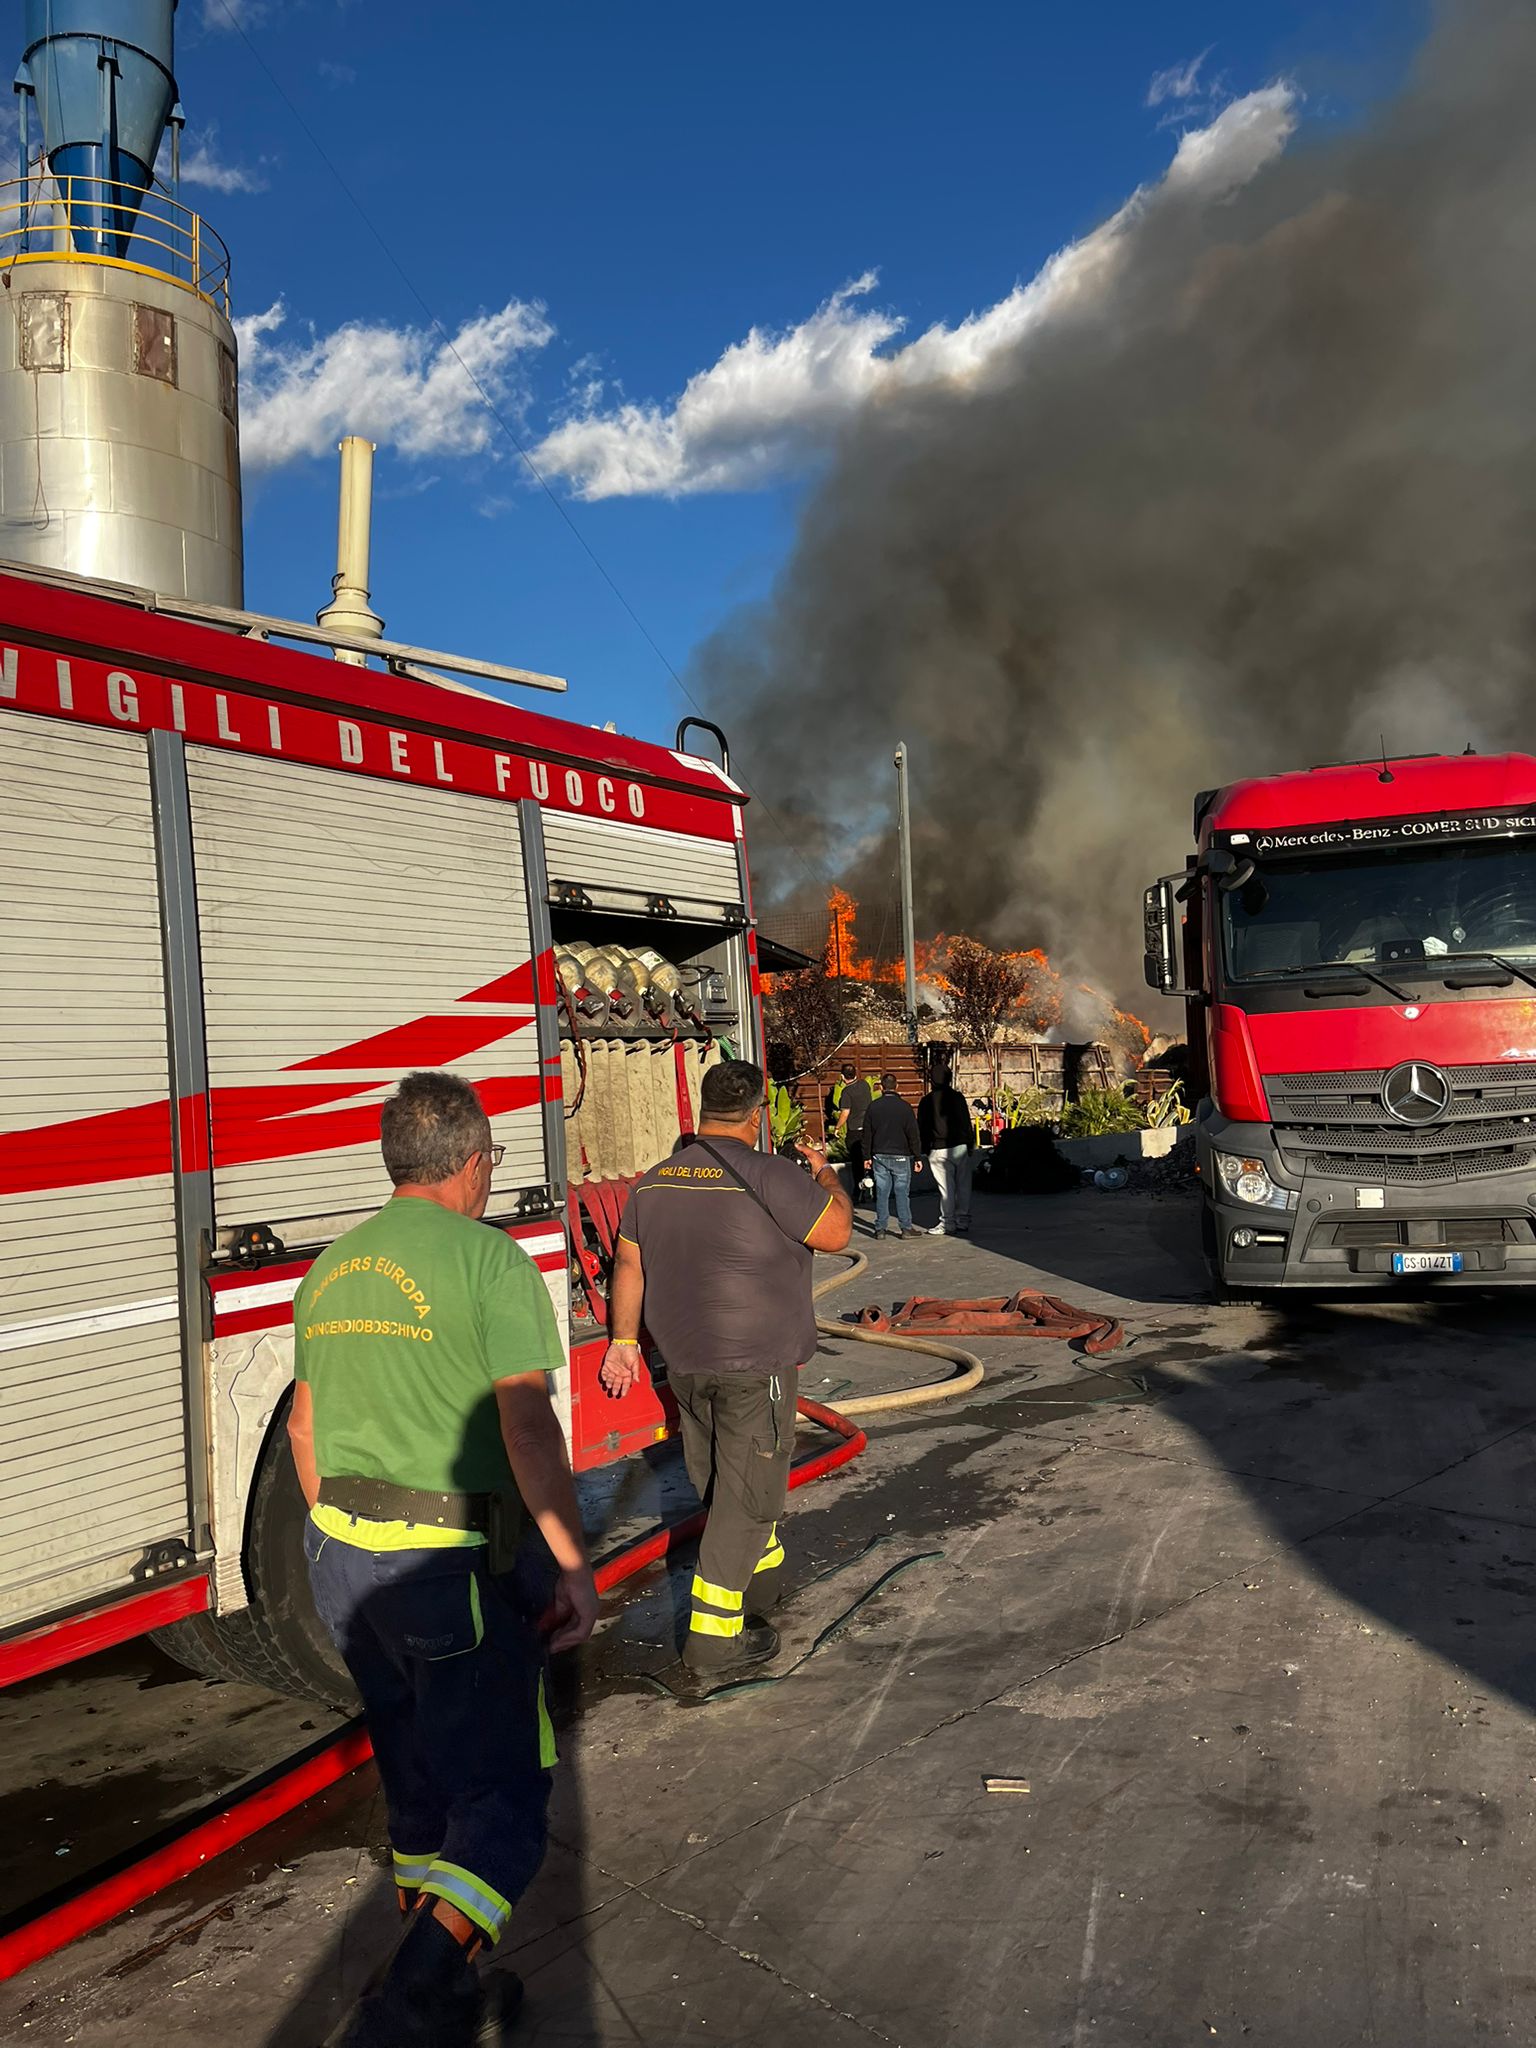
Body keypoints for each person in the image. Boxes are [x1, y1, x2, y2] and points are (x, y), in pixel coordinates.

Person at [286, 1070, 597, 2047]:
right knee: (505, 1805)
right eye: (492, 1163)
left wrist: (348, 1538)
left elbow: (305, 1428)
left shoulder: (328, 1270)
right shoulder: (486, 1260)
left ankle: (450, 1970)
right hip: (446, 1568)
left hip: (342, 1559)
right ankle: (412, 1997)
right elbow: (527, 1427)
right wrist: (570, 1558)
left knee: (417, 1784)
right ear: (472, 1163)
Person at [598, 1060, 853, 1674]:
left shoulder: (653, 1184)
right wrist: (826, 1174)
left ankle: (762, 1588)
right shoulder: (775, 1176)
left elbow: (627, 1268)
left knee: (719, 1480)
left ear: (701, 1108)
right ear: (759, 1111)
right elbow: (838, 1232)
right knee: (750, 1497)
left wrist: (624, 1342)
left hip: (685, 1363)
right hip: (755, 1366)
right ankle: (714, 1640)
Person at [863, 1073, 924, 1238]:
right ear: (897, 1086)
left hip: (879, 1155)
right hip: (901, 1156)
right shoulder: (905, 1107)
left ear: (881, 1088)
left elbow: (867, 1134)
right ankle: (905, 1227)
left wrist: (866, 1156)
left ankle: (880, 1228)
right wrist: (917, 1157)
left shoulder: (873, 1107)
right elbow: (913, 1134)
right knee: (901, 1192)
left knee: (882, 1192)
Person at [919, 1067, 976, 1236]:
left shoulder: (926, 1101)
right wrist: (970, 1143)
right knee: (964, 1185)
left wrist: (924, 1149)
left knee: (946, 1188)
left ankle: (947, 1222)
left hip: (938, 1149)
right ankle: (963, 1220)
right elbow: (966, 1121)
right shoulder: (958, 1098)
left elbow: (922, 1127)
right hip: (959, 1146)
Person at [836, 1061, 873, 1198]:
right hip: (868, 1127)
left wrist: (837, 1127)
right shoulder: (864, 1085)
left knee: (857, 1162)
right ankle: (872, 1185)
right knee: (868, 1157)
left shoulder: (846, 1092)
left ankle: (859, 1190)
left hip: (855, 1130)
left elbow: (845, 1113)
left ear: (842, 1076)